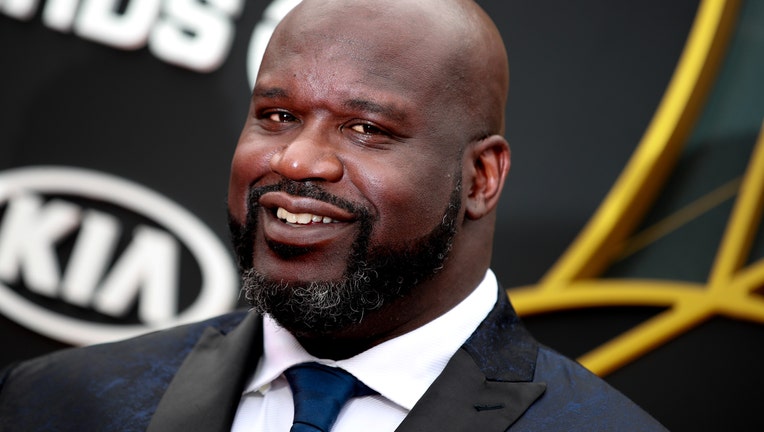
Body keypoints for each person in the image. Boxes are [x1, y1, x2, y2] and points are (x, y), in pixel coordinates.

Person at [0, 0, 667, 430]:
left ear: (480, 177)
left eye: (366, 128)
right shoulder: (58, 404)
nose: (297, 161)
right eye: (278, 116)